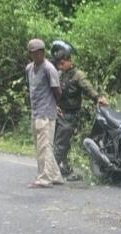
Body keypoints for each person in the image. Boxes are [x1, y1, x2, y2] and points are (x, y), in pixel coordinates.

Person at [50, 40, 107, 181]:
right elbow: (53, 91)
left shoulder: (78, 75)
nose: (60, 66)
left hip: (69, 115)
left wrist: (98, 98)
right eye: (59, 64)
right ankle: (63, 169)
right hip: (58, 113)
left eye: (62, 63)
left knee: (61, 144)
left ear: (69, 60)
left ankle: (50, 172)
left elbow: (88, 88)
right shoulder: (60, 74)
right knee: (60, 143)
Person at [25, 38, 64, 188]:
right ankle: (55, 175)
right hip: (35, 112)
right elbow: (31, 89)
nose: (36, 55)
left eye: (39, 52)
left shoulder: (49, 68)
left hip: (46, 113)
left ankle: (44, 178)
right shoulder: (29, 68)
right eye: (33, 53)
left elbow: (57, 91)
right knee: (41, 146)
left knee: (44, 147)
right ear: (30, 54)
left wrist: (55, 105)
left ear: (43, 52)